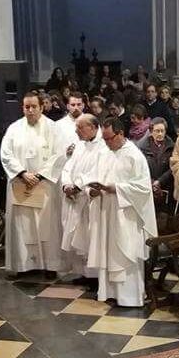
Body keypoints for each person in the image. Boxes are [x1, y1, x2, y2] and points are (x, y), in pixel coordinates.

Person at [86, 117, 158, 307]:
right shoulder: (104, 153)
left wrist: (116, 188)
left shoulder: (134, 155)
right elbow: (92, 175)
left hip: (126, 214)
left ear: (121, 133)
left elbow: (143, 188)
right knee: (108, 251)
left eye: (110, 138)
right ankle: (109, 292)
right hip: (106, 212)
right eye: (105, 138)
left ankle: (129, 297)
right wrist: (91, 190)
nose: (107, 143)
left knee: (125, 251)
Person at [0, 92, 64, 276]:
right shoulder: (14, 128)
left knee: (47, 225)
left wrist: (41, 175)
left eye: (33, 107)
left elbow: (59, 154)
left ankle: (49, 265)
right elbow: (6, 154)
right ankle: (24, 265)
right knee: (23, 225)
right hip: (21, 184)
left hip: (45, 186)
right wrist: (22, 173)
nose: (30, 110)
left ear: (41, 107)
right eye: (26, 107)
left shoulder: (53, 128)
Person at [60, 114, 107, 279]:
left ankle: (95, 276)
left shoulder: (103, 146)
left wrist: (78, 186)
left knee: (91, 237)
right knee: (78, 237)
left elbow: (97, 171)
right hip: (75, 197)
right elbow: (69, 166)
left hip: (90, 199)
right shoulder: (80, 145)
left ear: (93, 128)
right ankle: (83, 273)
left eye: (80, 127)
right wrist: (66, 184)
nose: (76, 130)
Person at [138, 117, 174, 202]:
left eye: (162, 131)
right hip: (147, 187)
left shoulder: (172, 147)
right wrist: (151, 182)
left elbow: (172, 168)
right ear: (151, 132)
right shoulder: (142, 148)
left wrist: (160, 181)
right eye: (157, 131)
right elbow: (139, 167)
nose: (160, 134)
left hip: (166, 186)